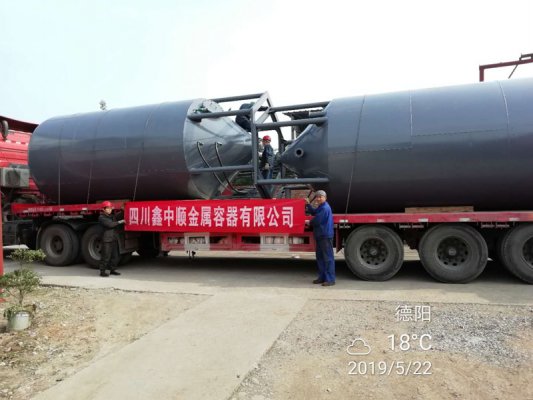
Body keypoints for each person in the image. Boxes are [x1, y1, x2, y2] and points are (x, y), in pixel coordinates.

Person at [306, 190, 335, 286]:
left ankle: (330, 279)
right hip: (320, 235)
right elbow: (314, 212)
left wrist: (309, 222)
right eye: (317, 197)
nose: (318, 199)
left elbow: (317, 220)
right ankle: (322, 277)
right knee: (320, 257)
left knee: (328, 258)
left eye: (320, 197)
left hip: (325, 236)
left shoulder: (325, 208)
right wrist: (308, 204)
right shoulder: (321, 207)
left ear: (325, 198)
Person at [98, 201, 125, 277]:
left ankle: (112, 270)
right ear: (103, 209)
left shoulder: (111, 216)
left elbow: (118, 216)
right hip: (106, 240)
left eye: (110, 208)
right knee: (106, 256)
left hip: (113, 239)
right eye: (108, 208)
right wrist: (120, 222)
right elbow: (110, 224)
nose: (110, 210)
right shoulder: (101, 217)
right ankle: (102, 272)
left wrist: (123, 210)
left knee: (115, 256)